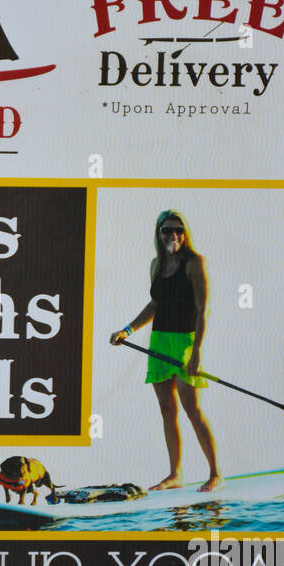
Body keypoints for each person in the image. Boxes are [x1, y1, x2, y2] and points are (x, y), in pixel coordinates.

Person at [109, 209, 222, 492]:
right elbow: (155, 305)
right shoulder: (156, 265)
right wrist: (128, 329)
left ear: (185, 233)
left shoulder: (195, 263)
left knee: (192, 408)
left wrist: (196, 353)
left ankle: (215, 474)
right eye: (167, 230)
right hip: (159, 339)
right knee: (166, 409)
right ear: (158, 234)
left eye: (178, 230)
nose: (173, 235)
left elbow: (202, 311)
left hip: (184, 341)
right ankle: (175, 474)